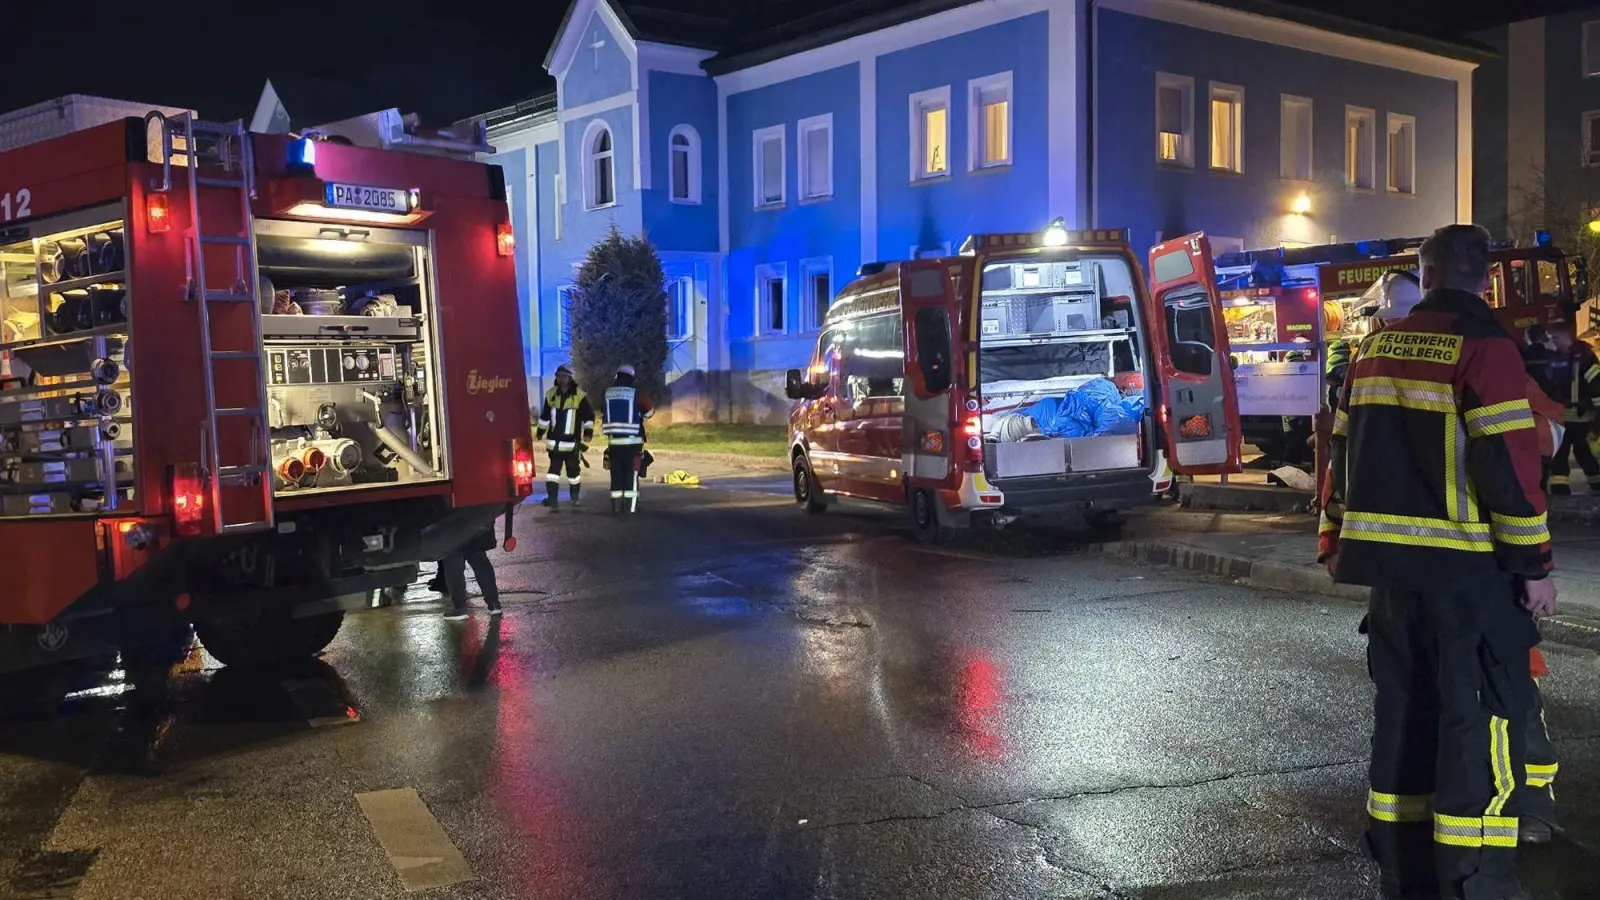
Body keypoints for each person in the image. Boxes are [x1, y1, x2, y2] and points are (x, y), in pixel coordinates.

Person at [1319, 224, 1555, 900]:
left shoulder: (1370, 348)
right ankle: (1476, 876)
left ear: (1423, 276)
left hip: (1390, 580)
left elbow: (1340, 455)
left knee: (1402, 710)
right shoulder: (1485, 349)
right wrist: (1533, 566)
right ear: (1485, 278)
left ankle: (1401, 865)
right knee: (1474, 718)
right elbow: (1510, 470)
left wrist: (1334, 540)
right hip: (1467, 577)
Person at [1546, 323, 1600, 494]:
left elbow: (1597, 388)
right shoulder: (1558, 357)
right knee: (1560, 453)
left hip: (1581, 416)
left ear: (1566, 337)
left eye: (1555, 338)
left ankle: (1597, 485)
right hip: (1563, 415)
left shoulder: (1585, 357)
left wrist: (1597, 423)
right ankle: (1559, 490)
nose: (1553, 343)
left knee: (1582, 452)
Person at [535, 363, 595, 511]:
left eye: (564, 376)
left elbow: (589, 417)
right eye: (559, 376)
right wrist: (539, 433)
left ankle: (574, 498)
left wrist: (587, 435)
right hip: (554, 445)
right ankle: (552, 499)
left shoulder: (579, 396)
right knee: (552, 474)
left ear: (570, 378)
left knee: (573, 474)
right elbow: (545, 417)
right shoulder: (551, 395)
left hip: (571, 445)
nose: (561, 379)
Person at [601, 364, 652, 513]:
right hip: (633, 444)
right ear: (631, 378)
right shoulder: (636, 394)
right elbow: (649, 412)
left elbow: (602, 410)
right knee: (631, 475)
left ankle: (616, 507)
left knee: (616, 475)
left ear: (617, 376)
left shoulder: (607, 393)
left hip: (614, 444)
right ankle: (630, 509)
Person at [441, 521, 502, 621]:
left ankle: (459, 608)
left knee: (453, 564)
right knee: (480, 561)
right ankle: (494, 604)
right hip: (475, 522)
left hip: (453, 526)